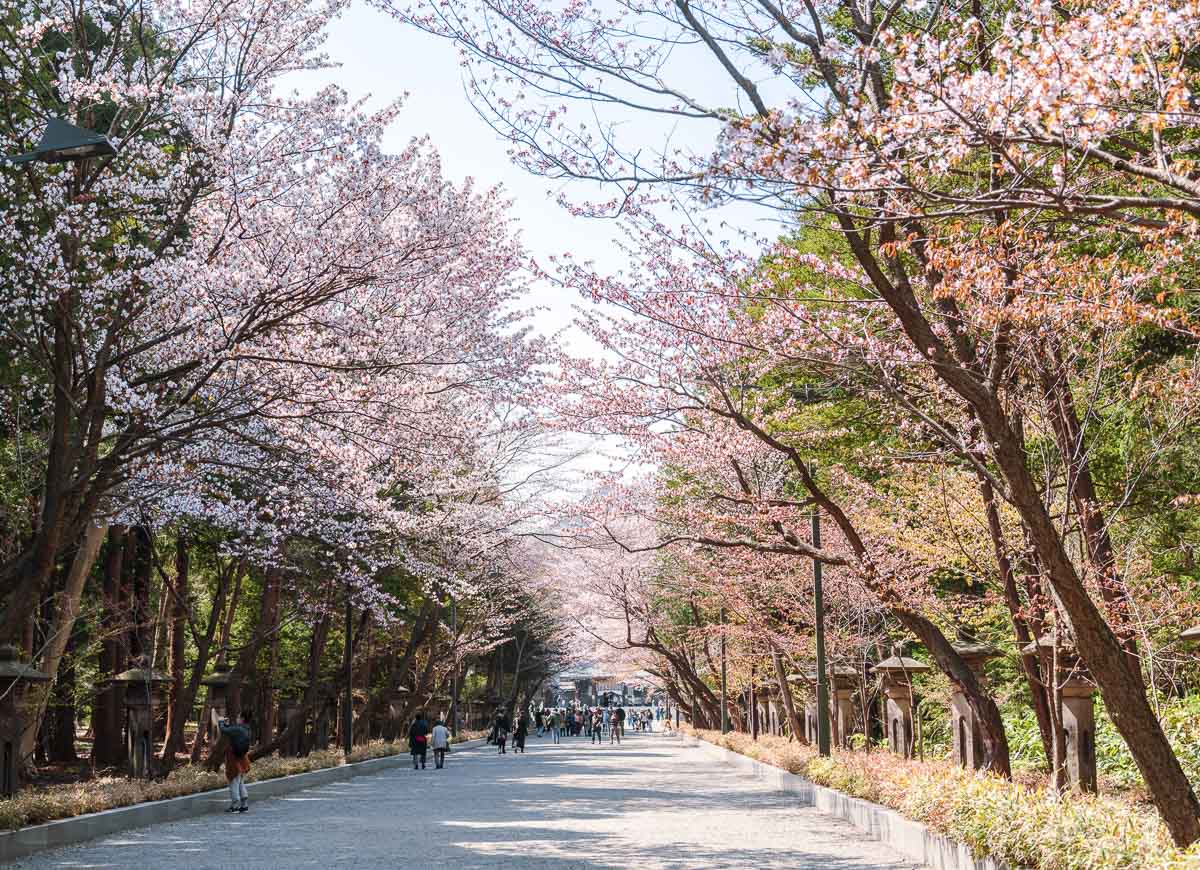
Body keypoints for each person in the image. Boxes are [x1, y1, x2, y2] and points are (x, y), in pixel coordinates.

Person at [216, 709, 253, 813]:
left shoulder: (238, 729)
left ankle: (234, 804)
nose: (236, 719)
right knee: (240, 780)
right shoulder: (247, 729)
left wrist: (220, 721)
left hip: (233, 758)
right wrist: (226, 724)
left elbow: (224, 730)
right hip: (243, 757)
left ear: (242, 718)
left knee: (233, 780)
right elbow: (232, 730)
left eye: (238, 717)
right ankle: (244, 804)